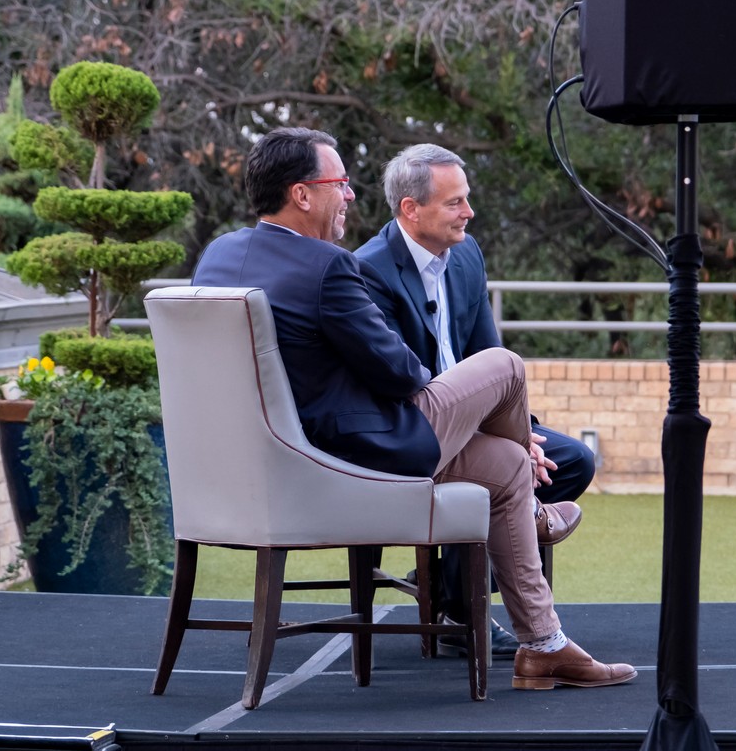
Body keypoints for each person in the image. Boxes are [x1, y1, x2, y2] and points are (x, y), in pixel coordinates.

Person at [191, 127, 635, 690]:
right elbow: (399, 373)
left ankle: (543, 646)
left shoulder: (219, 255)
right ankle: (534, 512)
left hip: (282, 455)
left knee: (505, 464)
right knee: (505, 366)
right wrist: (442, 388)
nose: (350, 195)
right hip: (357, 454)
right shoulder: (329, 267)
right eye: (340, 183)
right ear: (301, 194)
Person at [355, 143, 595, 657]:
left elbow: (486, 349)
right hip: (416, 429)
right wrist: (510, 441)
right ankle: (464, 609)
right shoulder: (368, 270)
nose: (469, 211)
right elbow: (399, 383)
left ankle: (450, 591)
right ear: (410, 208)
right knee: (514, 462)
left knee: (571, 460)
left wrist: (520, 433)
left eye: (466, 198)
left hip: (482, 423)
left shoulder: (466, 254)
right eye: (455, 202)